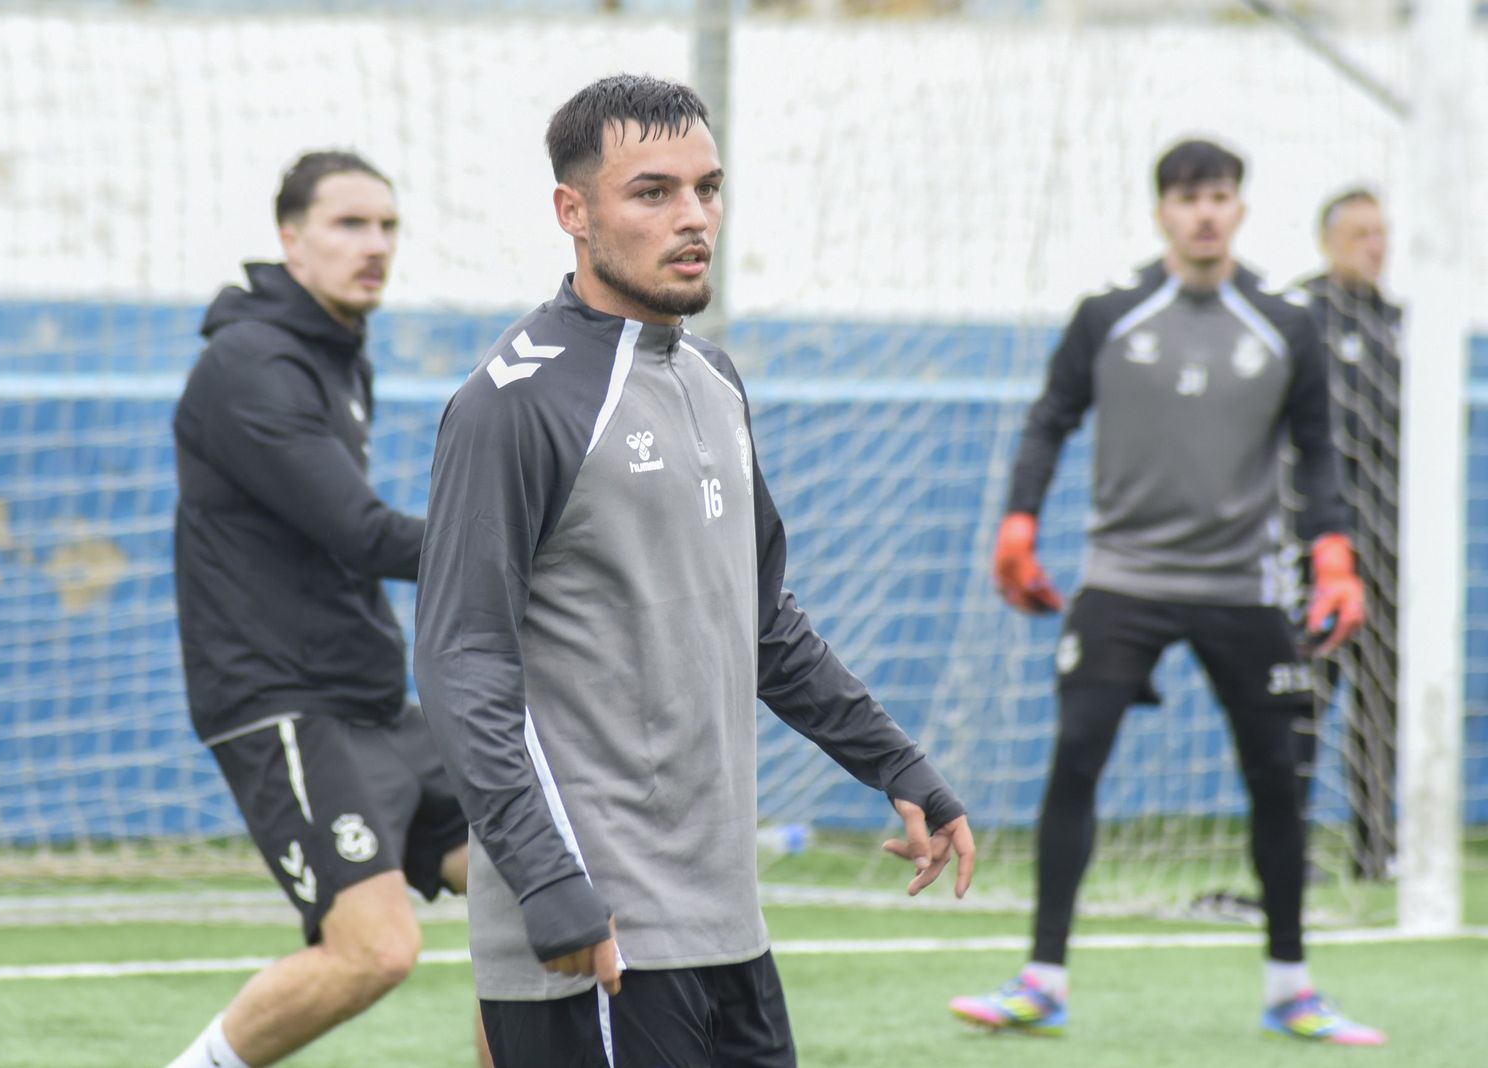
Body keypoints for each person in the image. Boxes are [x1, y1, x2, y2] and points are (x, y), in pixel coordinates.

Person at [412, 73, 976, 1068]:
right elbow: (463, 663)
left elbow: (762, 623)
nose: (693, 218)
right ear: (572, 212)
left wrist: (897, 765)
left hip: (725, 927)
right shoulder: (513, 402)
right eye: (653, 192)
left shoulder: (712, 378)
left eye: (707, 189)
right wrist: (547, 880)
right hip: (600, 931)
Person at [948, 140, 1385, 1046]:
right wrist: (1018, 522)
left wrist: (1333, 557)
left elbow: (1317, 454)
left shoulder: (1283, 321)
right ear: (1161, 212)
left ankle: (1291, 987)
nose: (1204, 214)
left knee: (1279, 781)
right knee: (1075, 758)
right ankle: (1042, 979)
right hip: (1125, 582)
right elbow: (1048, 421)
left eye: (1219, 196)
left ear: (1240, 208)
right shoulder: (1108, 312)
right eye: (1188, 198)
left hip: (1247, 587)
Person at [165, 151, 489, 1068]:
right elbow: (357, 531)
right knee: (375, 951)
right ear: (290, 238)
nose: (376, 245)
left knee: (553, 895)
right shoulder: (250, 364)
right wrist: (528, 550)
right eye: (350, 225)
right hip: (284, 705)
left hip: (371, 703)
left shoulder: (337, 355)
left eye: (387, 226)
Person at [1290, 189, 1402, 882]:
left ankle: (1376, 849)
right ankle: (1285, 844)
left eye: (1381, 233)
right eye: (1361, 234)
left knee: (1381, 702)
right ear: (1329, 241)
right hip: (1315, 548)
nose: (1375, 246)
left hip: (1389, 549)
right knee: (1300, 699)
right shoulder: (1301, 317)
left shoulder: (1399, 326)